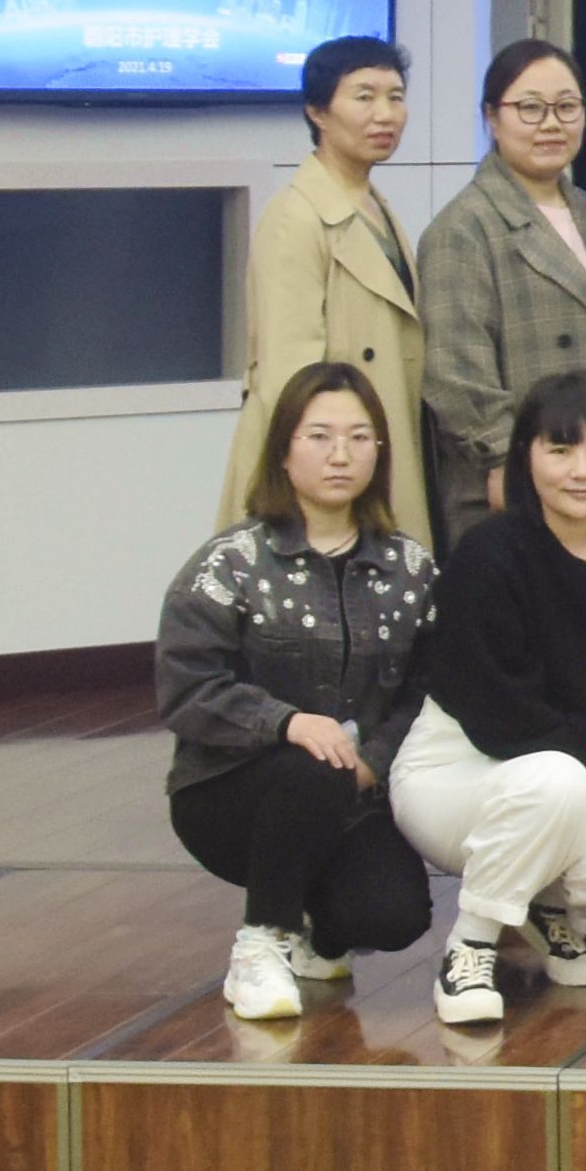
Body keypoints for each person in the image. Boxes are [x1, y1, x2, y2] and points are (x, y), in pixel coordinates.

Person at [391, 369, 586, 1028]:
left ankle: (547, 910)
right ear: (526, 456)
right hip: (456, 776)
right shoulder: (489, 552)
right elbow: (496, 711)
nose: (582, 470)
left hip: (570, 779)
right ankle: (472, 945)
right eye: (561, 449)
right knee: (560, 779)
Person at [158, 363, 442, 1019]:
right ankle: (262, 944)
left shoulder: (411, 570)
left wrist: (376, 760)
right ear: (283, 451)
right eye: (319, 436)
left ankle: (319, 935)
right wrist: (287, 723)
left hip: (354, 797)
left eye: (359, 438)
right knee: (315, 760)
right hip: (228, 794)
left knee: (395, 917)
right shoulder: (229, 563)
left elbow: (430, 691)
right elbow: (186, 687)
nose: (341, 454)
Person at [419, 38, 586, 551]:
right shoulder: (464, 226)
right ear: (492, 116)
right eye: (530, 108)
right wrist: (501, 457)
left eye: (566, 107)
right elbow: (454, 370)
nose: (551, 124)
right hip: (511, 487)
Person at [231, 34, 423, 531]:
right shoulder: (295, 217)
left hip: (367, 451)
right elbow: (289, 378)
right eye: (364, 97)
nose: (385, 114)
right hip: (326, 476)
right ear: (317, 112)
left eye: (395, 97)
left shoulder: (373, 204)